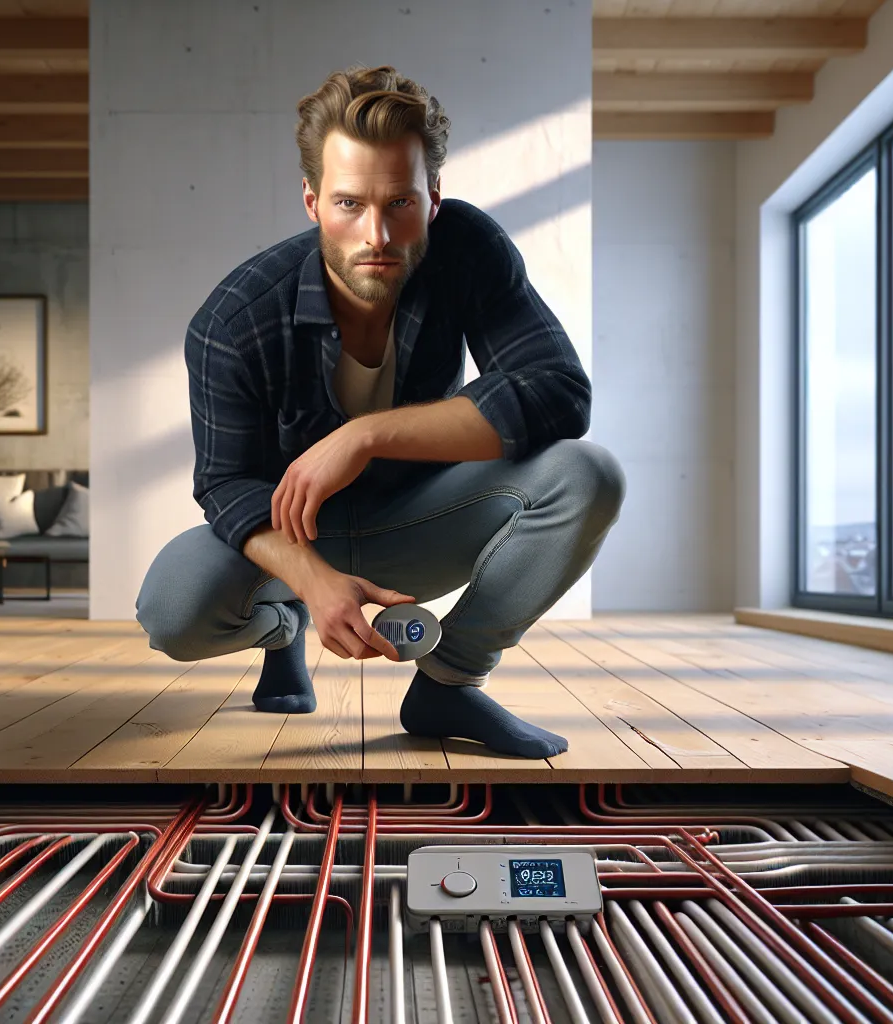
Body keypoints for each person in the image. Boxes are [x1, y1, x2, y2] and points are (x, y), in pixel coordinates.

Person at [135, 65, 623, 759]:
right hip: (294, 539)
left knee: (588, 473)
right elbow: (225, 484)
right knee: (172, 612)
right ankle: (284, 630)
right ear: (311, 203)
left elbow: (557, 391)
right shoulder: (233, 318)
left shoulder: (466, 247)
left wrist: (366, 435)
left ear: (434, 199)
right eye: (349, 204)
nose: (378, 235)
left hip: (423, 520)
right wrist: (311, 581)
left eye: (400, 202)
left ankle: (449, 686)